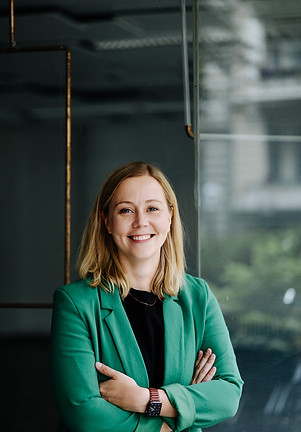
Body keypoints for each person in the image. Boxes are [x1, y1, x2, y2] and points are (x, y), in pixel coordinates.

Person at [50, 161, 243, 432]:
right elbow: (83, 412)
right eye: (126, 210)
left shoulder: (198, 296)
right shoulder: (75, 303)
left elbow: (228, 394)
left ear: (170, 217)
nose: (141, 222)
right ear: (106, 221)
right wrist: (179, 413)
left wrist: (146, 399)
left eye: (152, 208)